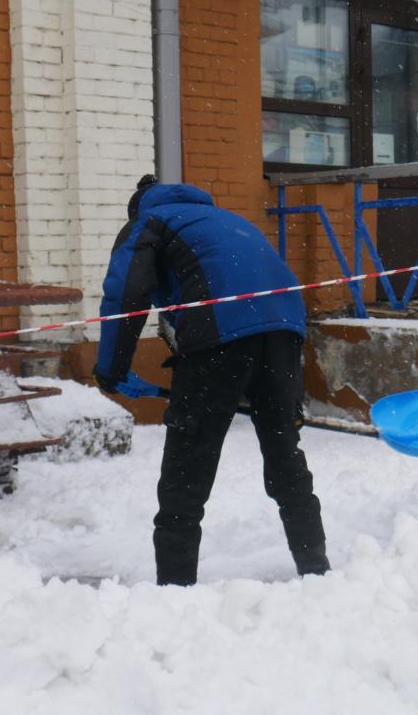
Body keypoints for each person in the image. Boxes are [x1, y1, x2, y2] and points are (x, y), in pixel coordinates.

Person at [93, 175, 329, 586]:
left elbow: (125, 295)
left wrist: (111, 369)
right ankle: (317, 573)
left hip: (221, 337)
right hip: (285, 332)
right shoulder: (226, 221)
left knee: (188, 468)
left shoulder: (149, 223)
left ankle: (175, 591)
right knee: (285, 456)